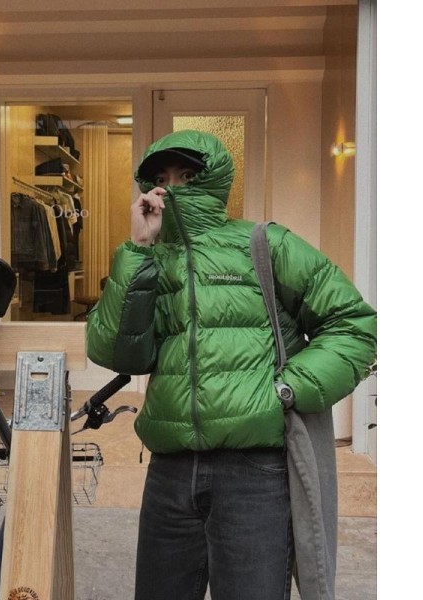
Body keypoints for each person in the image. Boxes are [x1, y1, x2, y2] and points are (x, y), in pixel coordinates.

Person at [86, 129, 377, 600]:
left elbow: (355, 325)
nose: (171, 188)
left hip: (254, 472)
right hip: (170, 469)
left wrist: (286, 390)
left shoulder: (265, 244)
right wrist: (137, 248)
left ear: (214, 179)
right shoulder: (148, 260)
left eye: (186, 175)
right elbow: (117, 353)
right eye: (161, 178)